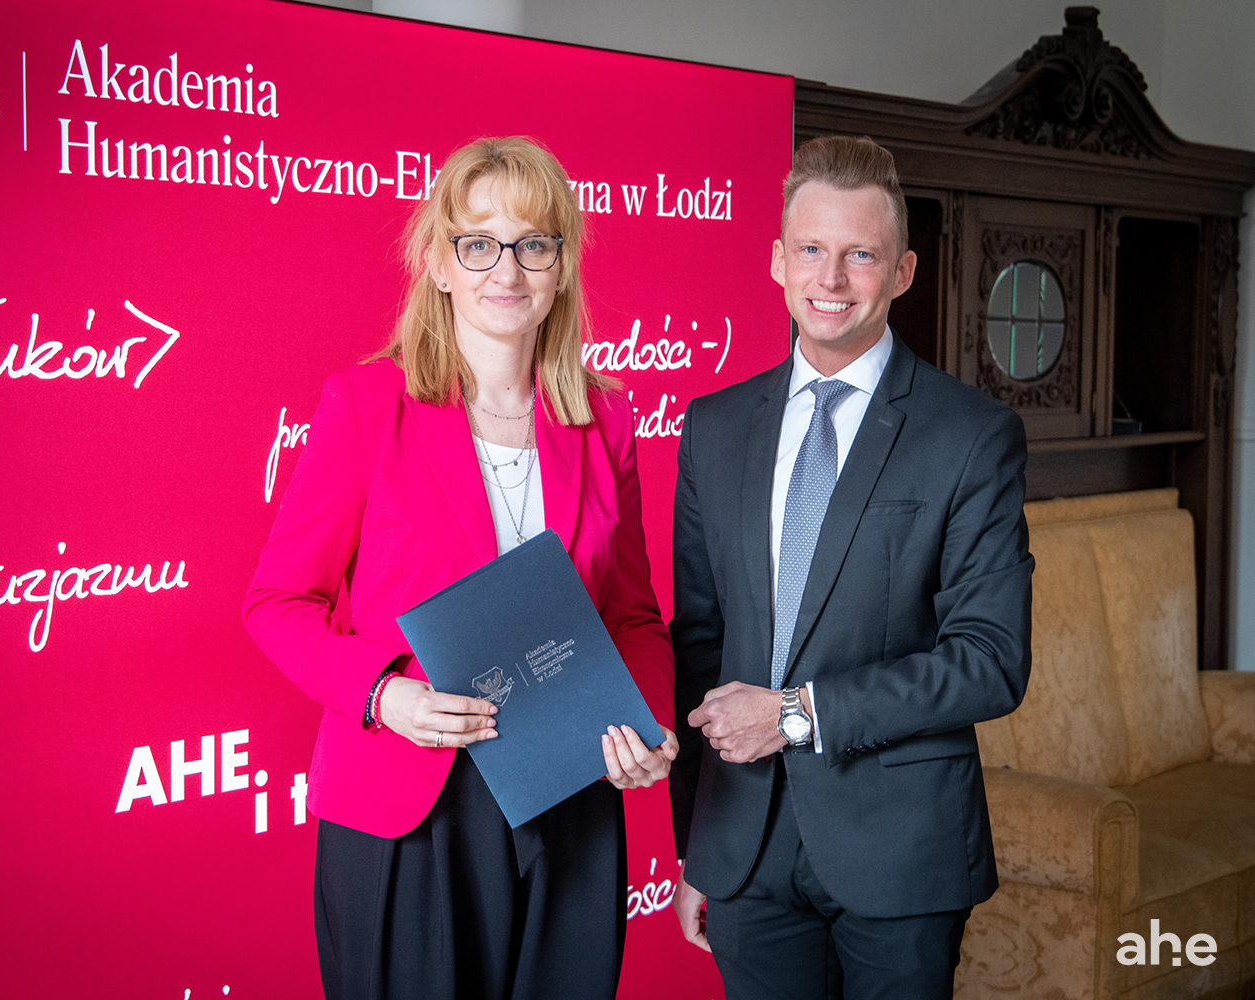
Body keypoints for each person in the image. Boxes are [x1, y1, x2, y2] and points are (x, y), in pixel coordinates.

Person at [243, 135, 678, 1000]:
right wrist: (383, 696)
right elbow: (277, 602)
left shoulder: (605, 419)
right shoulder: (367, 405)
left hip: (570, 792)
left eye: (532, 244)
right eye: (478, 244)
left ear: (562, 265)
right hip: (413, 803)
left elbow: (631, 615)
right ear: (439, 264)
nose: (505, 271)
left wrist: (648, 722)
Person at [667, 135, 1032, 999]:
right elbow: (699, 643)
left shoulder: (970, 435)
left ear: (902, 272)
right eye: (812, 250)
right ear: (778, 261)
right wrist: (698, 846)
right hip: (745, 847)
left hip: (901, 852)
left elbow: (991, 661)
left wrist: (797, 716)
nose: (831, 278)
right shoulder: (714, 428)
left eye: (860, 255)